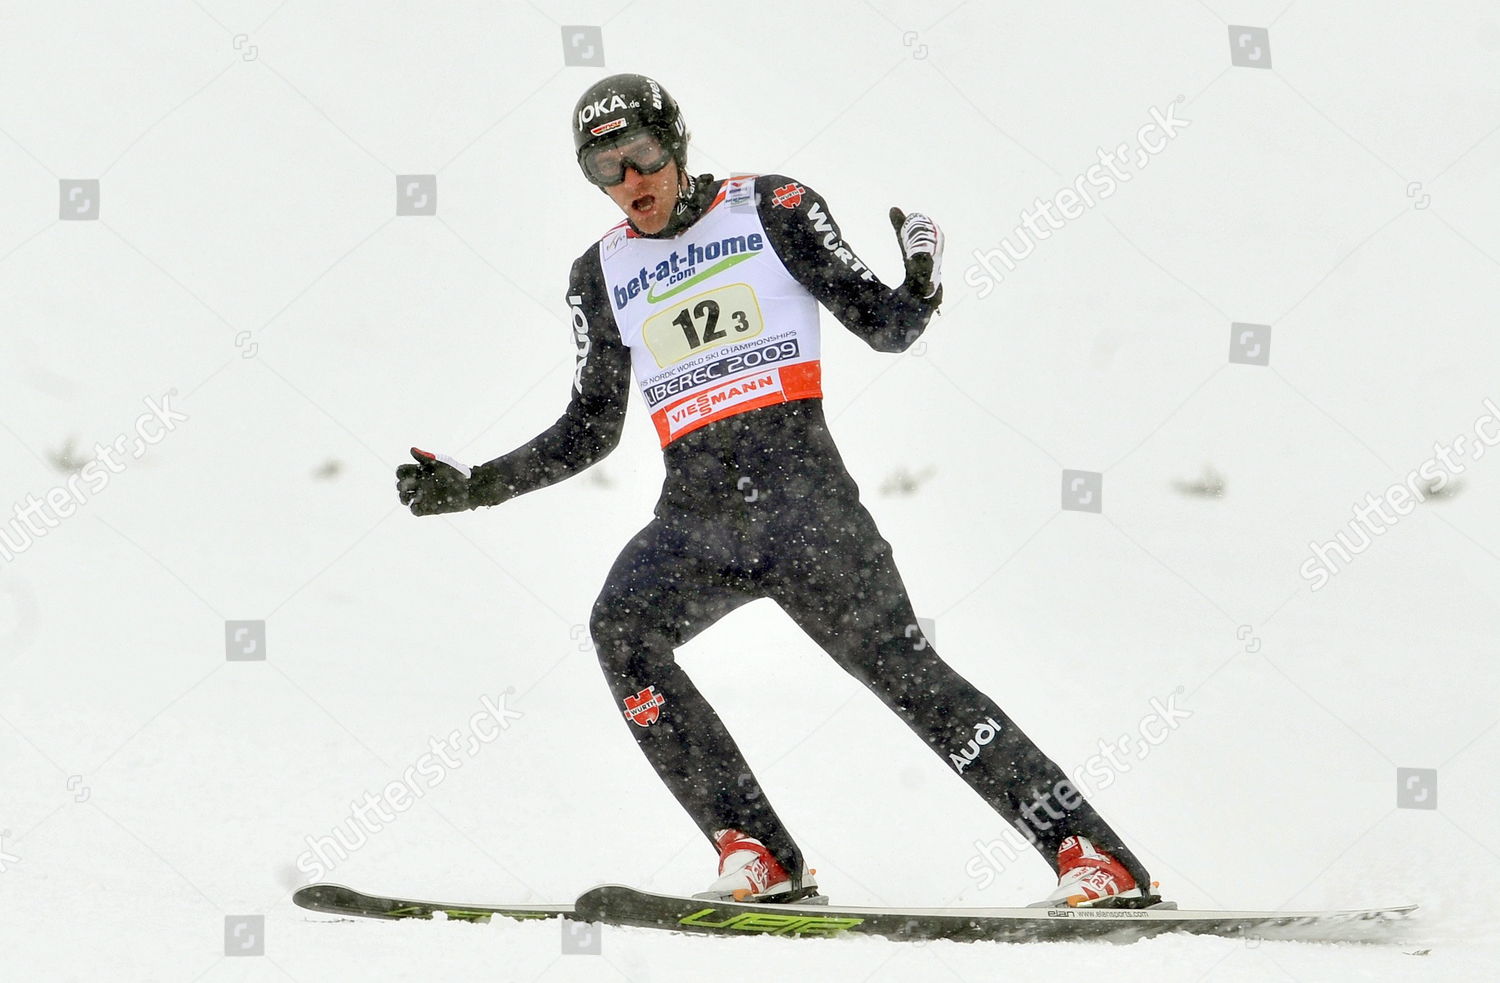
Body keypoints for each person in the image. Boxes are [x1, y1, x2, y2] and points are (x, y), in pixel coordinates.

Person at [397, 73, 1157, 907]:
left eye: (643, 157)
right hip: (696, 523)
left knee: (909, 676)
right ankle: (757, 849)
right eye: (606, 172)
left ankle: (1090, 852)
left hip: (808, 514)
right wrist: (476, 487)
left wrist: (920, 278)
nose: (632, 185)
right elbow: (590, 426)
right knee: (621, 626)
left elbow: (888, 327)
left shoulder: (774, 206)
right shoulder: (598, 272)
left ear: (676, 145)